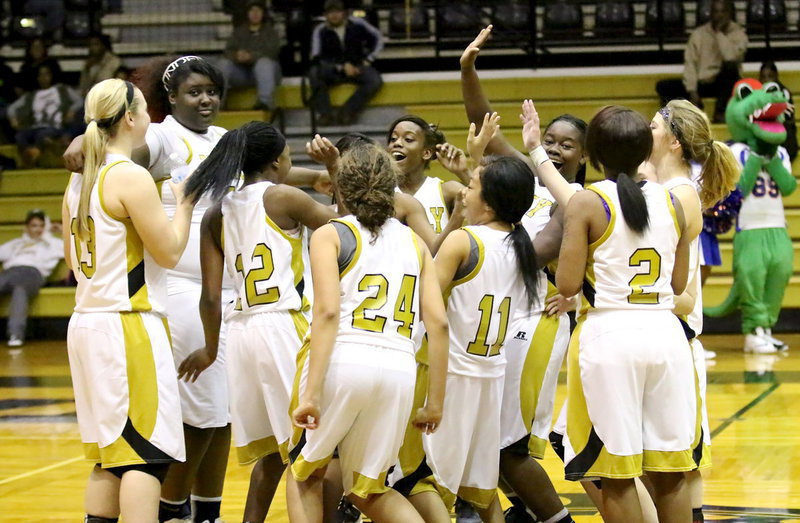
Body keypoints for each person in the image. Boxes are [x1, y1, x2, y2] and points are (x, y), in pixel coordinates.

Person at [525, 101, 696, 521]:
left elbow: (566, 285)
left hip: (610, 336)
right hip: (666, 335)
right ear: (644, 152)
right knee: (670, 470)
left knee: (615, 473)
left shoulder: (586, 202)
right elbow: (677, 285)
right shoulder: (673, 202)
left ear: (593, 153)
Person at [179, 121, 338, 523]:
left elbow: (212, 296)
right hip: (284, 326)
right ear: (275, 161)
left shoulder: (216, 212)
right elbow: (346, 228)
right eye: (287, 156)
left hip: (241, 333)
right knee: (312, 450)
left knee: (271, 453)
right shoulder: (283, 196)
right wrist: (337, 172)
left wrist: (210, 348)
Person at [288, 144, 449, 523]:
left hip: (343, 359)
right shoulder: (415, 243)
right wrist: (435, 402)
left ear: (340, 187)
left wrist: (310, 394)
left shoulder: (331, 233)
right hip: (399, 369)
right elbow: (438, 325)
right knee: (368, 490)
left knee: (302, 472)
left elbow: (327, 313)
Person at [460, 25, 582, 523]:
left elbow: (530, 254)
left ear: (583, 155)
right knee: (493, 438)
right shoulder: (529, 181)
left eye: (567, 144)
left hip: (538, 324)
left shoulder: (576, 203)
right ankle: (525, 512)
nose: (554, 149)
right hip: (505, 322)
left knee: (510, 444)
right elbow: (481, 124)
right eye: (548, 140)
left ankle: (554, 519)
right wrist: (467, 69)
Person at [61, 78, 194, 523]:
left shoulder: (77, 183)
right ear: (131, 118)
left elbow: (71, 262)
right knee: (146, 456)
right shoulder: (129, 176)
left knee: (111, 456)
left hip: (86, 320)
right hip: (127, 324)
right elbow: (170, 252)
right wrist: (186, 205)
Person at [649, 99, 739, 523]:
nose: (643, 133)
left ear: (673, 142)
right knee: (667, 464)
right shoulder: (667, 189)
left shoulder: (678, 195)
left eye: (651, 126)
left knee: (678, 464)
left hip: (677, 341)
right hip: (662, 342)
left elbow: (682, 297)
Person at [655, 0, 747, 123]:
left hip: (723, 84)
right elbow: (690, 64)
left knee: (730, 69)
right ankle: (675, 119)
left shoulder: (738, 33)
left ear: (729, 13)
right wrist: (692, 90)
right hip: (702, 82)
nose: (719, 15)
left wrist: (719, 33)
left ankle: (720, 113)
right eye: (716, 11)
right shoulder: (699, 34)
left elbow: (730, 57)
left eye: (723, 11)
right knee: (663, 86)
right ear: (710, 14)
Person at [388, 115, 469, 235]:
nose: (397, 143)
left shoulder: (447, 191)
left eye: (408, 139)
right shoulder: (380, 193)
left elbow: (491, 205)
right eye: (393, 139)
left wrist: (463, 172)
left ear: (426, 153)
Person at [309, 0, 384, 126]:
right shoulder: (320, 30)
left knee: (374, 80)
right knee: (314, 73)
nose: (334, 15)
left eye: (337, 12)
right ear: (325, 15)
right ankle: (325, 114)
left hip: (357, 66)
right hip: (332, 69)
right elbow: (317, 57)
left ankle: (347, 112)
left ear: (344, 13)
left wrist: (368, 60)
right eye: (330, 12)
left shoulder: (357, 24)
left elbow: (379, 38)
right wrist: (341, 67)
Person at [0, 209, 63, 348]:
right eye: (34, 226)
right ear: (27, 227)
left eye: (41, 225)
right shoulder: (17, 243)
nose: (38, 229)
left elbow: (76, 246)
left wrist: (62, 230)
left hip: (32, 273)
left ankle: (15, 334)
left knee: (20, 290)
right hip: (10, 271)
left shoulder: (53, 243)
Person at [8, 63, 83, 167]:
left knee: (42, 135)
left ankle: (34, 154)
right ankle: (31, 155)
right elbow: (12, 108)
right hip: (34, 127)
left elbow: (79, 101)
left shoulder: (62, 89)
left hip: (54, 127)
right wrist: (13, 118)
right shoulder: (31, 95)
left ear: (52, 75)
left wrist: (72, 110)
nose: (44, 78)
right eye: (41, 75)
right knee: (20, 136)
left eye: (46, 74)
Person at [219, 0, 283, 111]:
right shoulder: (238, 32)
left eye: (258, 11)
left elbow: (272, 52)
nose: (255, 13)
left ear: (263, 13)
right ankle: (217, 103)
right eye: (252, 11)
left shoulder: (271, 33)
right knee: (223, 64)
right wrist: (236, 56)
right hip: (243, 73)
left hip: (268, 74)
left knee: (264, 63)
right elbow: (228, 51)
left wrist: (251, 56)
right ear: (247, 14)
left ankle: (264, 103)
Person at [759, 60, 797, 162]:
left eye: (770, 76)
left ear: (776, 76)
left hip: (784, 135)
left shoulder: (784, 93)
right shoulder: (757, 94)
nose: (767, 80)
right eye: (763, 77)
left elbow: (788, 118)